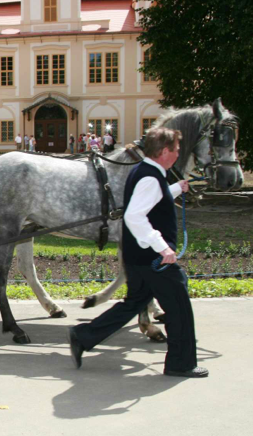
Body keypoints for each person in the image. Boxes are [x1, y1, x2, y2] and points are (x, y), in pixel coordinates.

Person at [68, 127, 207, 378]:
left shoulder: (146, 172)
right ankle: (180, 363)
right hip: (153, 260)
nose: (178, 154)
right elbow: (134, 216)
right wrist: (163, 247)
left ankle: (83, 335)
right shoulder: (150, 178)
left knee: (133, 304)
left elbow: (152, 200)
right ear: (164, 151)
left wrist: (175, 189)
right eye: (175, 149)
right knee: (179, 306)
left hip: (138, 257)